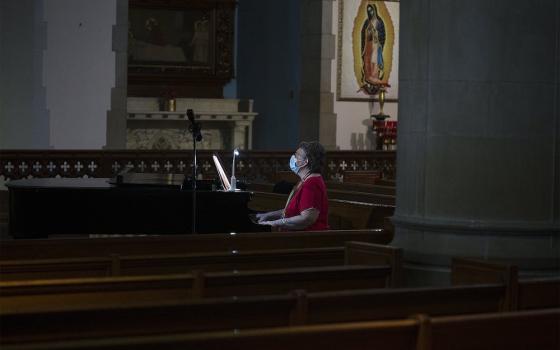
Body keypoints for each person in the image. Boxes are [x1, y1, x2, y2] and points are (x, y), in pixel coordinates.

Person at [257, 141, 329, 231]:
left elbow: (307, 218)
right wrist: (268, 215)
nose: (293, 157)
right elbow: (291, 211)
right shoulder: (305, 180)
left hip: (306, 240)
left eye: (297, 155)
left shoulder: (312, 183)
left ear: (305, 161)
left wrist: (274, 223)